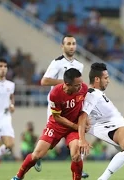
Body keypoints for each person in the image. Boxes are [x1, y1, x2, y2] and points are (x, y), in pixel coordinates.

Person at [11, 68, 88, 180]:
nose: (80, 87)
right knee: (36, 155)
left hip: (73, 128)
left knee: (76, 155)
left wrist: (85, 121)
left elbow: (86, 108)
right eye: (77, 85)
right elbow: (57, 117)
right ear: (67, 84)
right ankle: (18, 176)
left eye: (81, 83)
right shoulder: (55, 93)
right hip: (56, 126)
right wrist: (75, 126)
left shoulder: (83, 88)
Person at [39, 34, 89, 178]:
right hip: (57, 106)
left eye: (73, 43)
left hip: (72, 105)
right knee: (51, 139)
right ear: (62, 46)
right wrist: (65, 82)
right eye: (68, 43)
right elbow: (44, 81)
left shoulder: (80, 65)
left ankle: (80, 168)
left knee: (79, 134)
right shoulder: (57, 63)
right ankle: (37, 156)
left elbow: (79, 86)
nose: (71, 46)